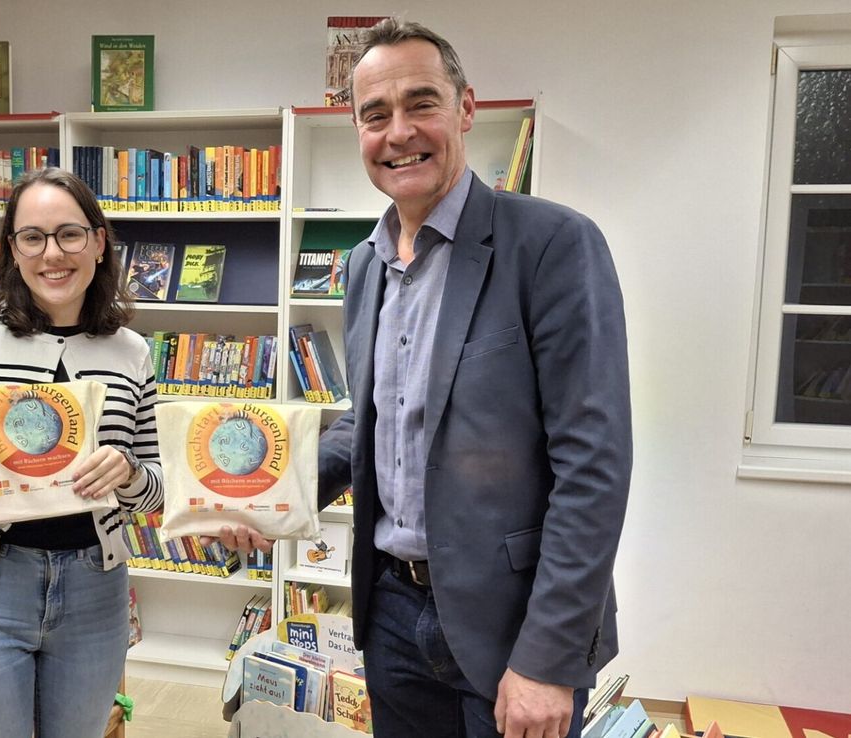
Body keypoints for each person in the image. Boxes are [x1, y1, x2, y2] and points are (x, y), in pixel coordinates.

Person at [216, 20, 632, 738]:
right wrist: (272, 494)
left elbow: (593, 465)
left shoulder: (552, 244)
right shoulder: (364, 265)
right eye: (375, 114)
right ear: (357, 129)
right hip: (393, 615)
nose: (399, 132)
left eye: (422, 103)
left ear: (465, 108)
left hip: (513, 624)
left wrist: (548, 658)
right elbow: (370, 420)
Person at [0, 167, 162, 738]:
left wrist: (128, 473)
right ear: (12, 249)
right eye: (32, 237)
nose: (53, 254)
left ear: (98, 242)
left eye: (69, 234)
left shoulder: (131, 352)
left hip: (96, 590)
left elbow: (157, 487)